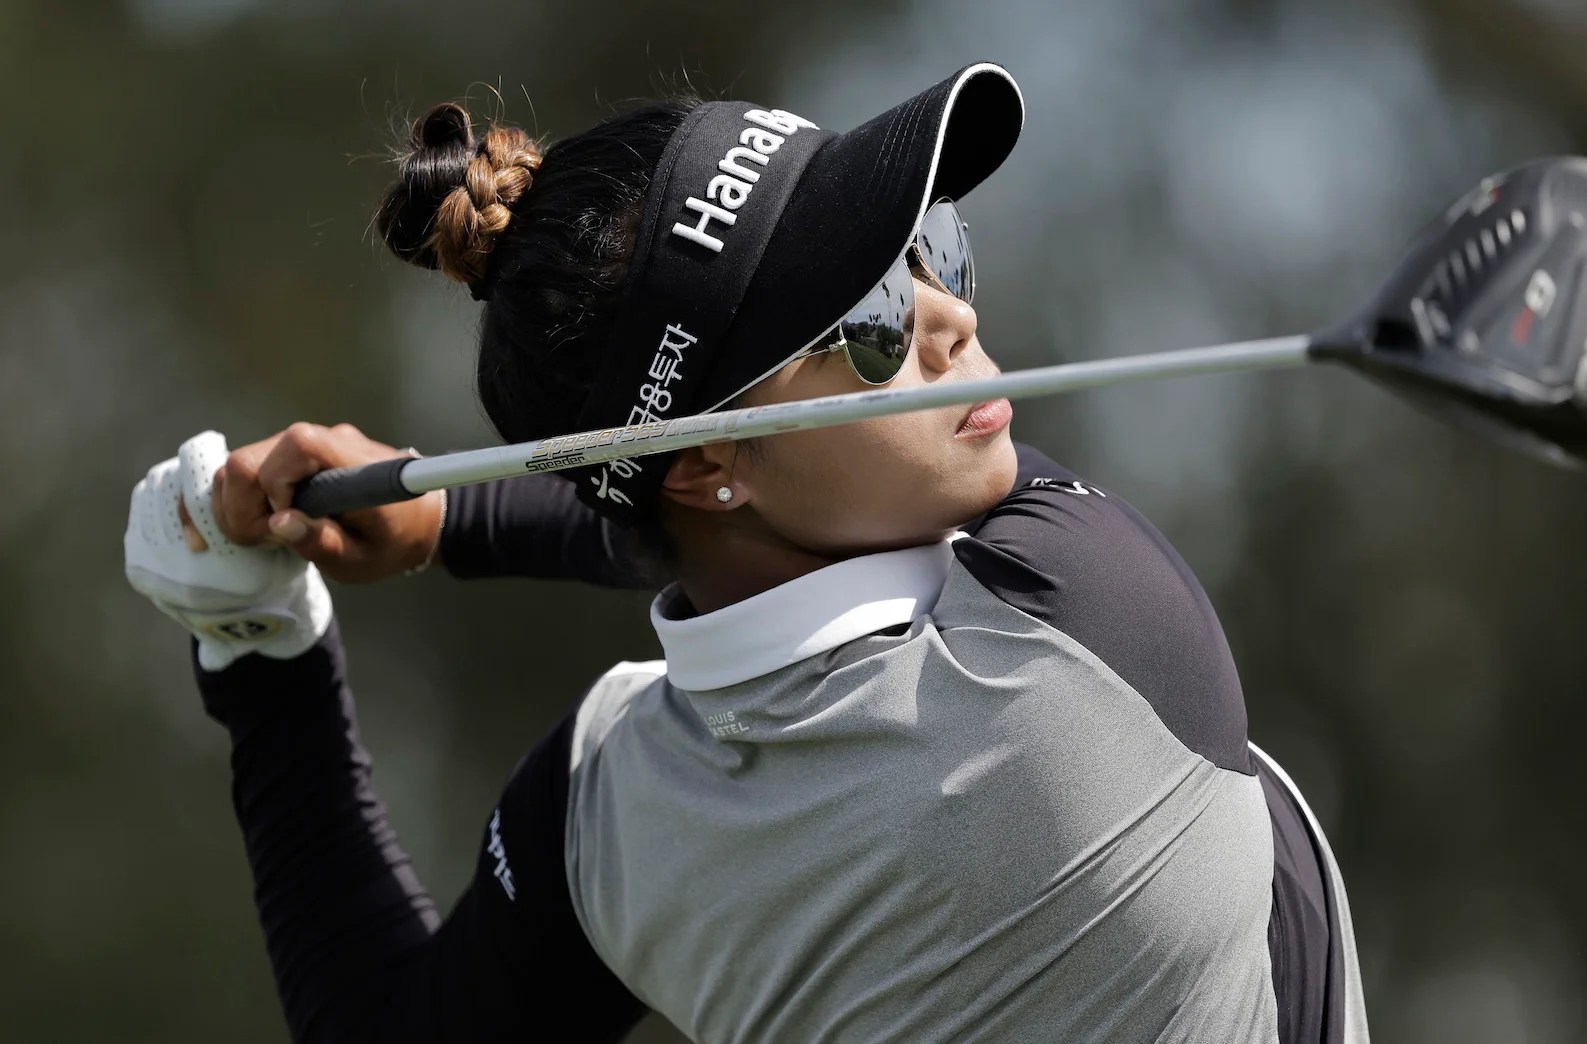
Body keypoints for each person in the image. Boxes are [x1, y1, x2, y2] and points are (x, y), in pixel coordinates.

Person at [122, 61, 1367, 1043]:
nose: (951, 315)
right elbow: (793, 533)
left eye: (931, 246)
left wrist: (259, 648)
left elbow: (382, 1022)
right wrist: (461, 526)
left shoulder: (610, 821)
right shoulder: (1087, 633)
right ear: (711, 459)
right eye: (871, 318)